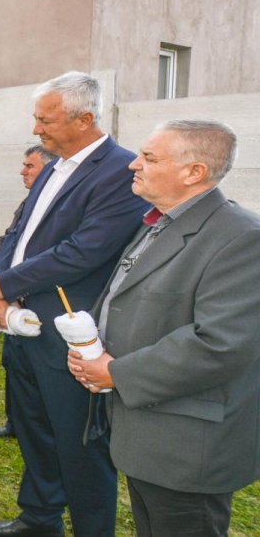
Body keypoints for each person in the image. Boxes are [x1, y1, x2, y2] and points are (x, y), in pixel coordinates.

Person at [67, 120, 260, 537]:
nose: (133, 164)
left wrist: (114, 372)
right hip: (149, 435)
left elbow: (220, 344)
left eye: (149, 157)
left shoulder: (242, 237)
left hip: (188, 448)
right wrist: (90, 344)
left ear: (194, 172)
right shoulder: (159, 222)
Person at [0, 71, 147, 537]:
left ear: (85, 118)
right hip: (24, 326)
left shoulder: (121, 171)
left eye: (45, 120)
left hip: (71, 335)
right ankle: (39, 518)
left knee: (80, 446)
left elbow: (85, 250)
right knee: (33, 432)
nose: (37, 129)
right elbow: (19, 229)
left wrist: (6, 283)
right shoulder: (53, 163)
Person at [0, 144, 56, 439]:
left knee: (33, 370)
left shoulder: (54, 208)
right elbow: (9, 239)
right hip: (8, 297)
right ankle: (16, 423)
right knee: (13, 363)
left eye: (30, 166)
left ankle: (36, 428)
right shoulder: (29, 203)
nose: (22, 171)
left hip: (31, 300)